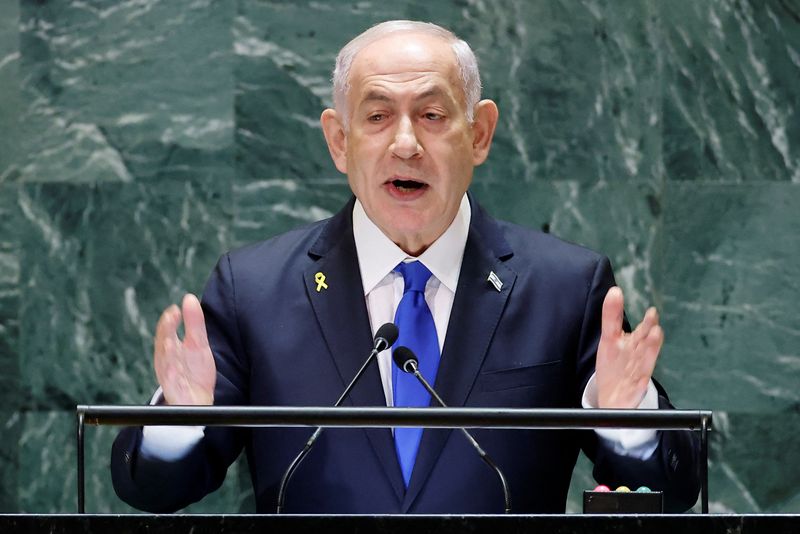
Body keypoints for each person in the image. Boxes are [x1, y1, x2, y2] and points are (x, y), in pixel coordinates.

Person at [111, 20, 700, 514]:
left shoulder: (564, 288)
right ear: (339, 141)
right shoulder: (256, 290)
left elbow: (672, 492)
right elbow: (154, 492)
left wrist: (629, 419)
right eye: (376, 117)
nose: (406, 144)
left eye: (433, 115)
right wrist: (178, 422)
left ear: (480, 133)